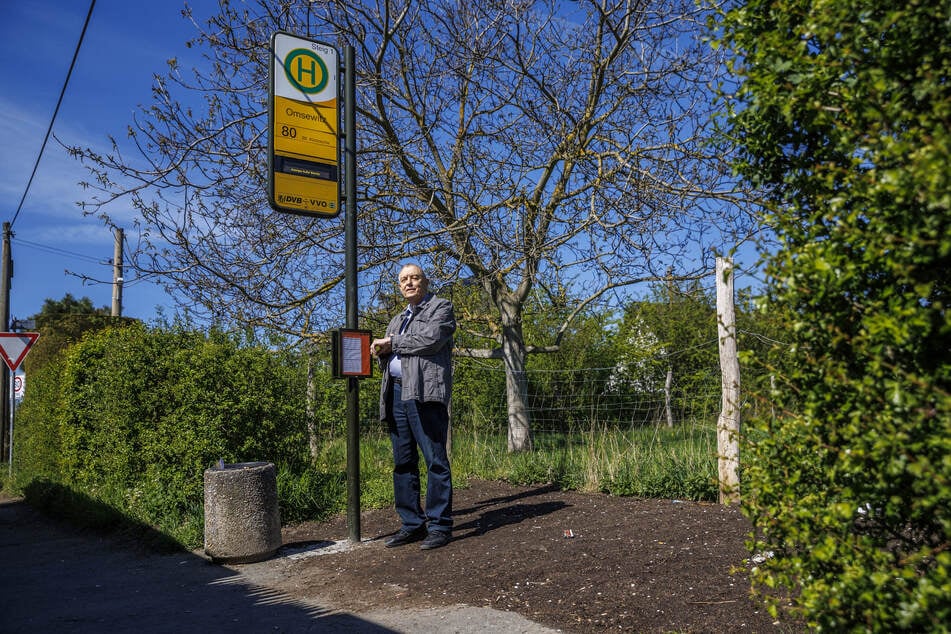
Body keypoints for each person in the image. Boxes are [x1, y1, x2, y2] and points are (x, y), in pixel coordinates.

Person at [370, 264, 456, 550]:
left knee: (435, 459)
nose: (409, 283)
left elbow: (431, 339)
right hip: (396, 393)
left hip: (424, 392)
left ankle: (440, 526)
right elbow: (392, 353)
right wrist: (380, 351)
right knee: (403, 462)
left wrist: (392, 343)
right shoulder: (396, 320)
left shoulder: (441, 308)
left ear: (425, 282)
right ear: (399, 286)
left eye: (414, 278)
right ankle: (412, 524)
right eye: (403, 279)